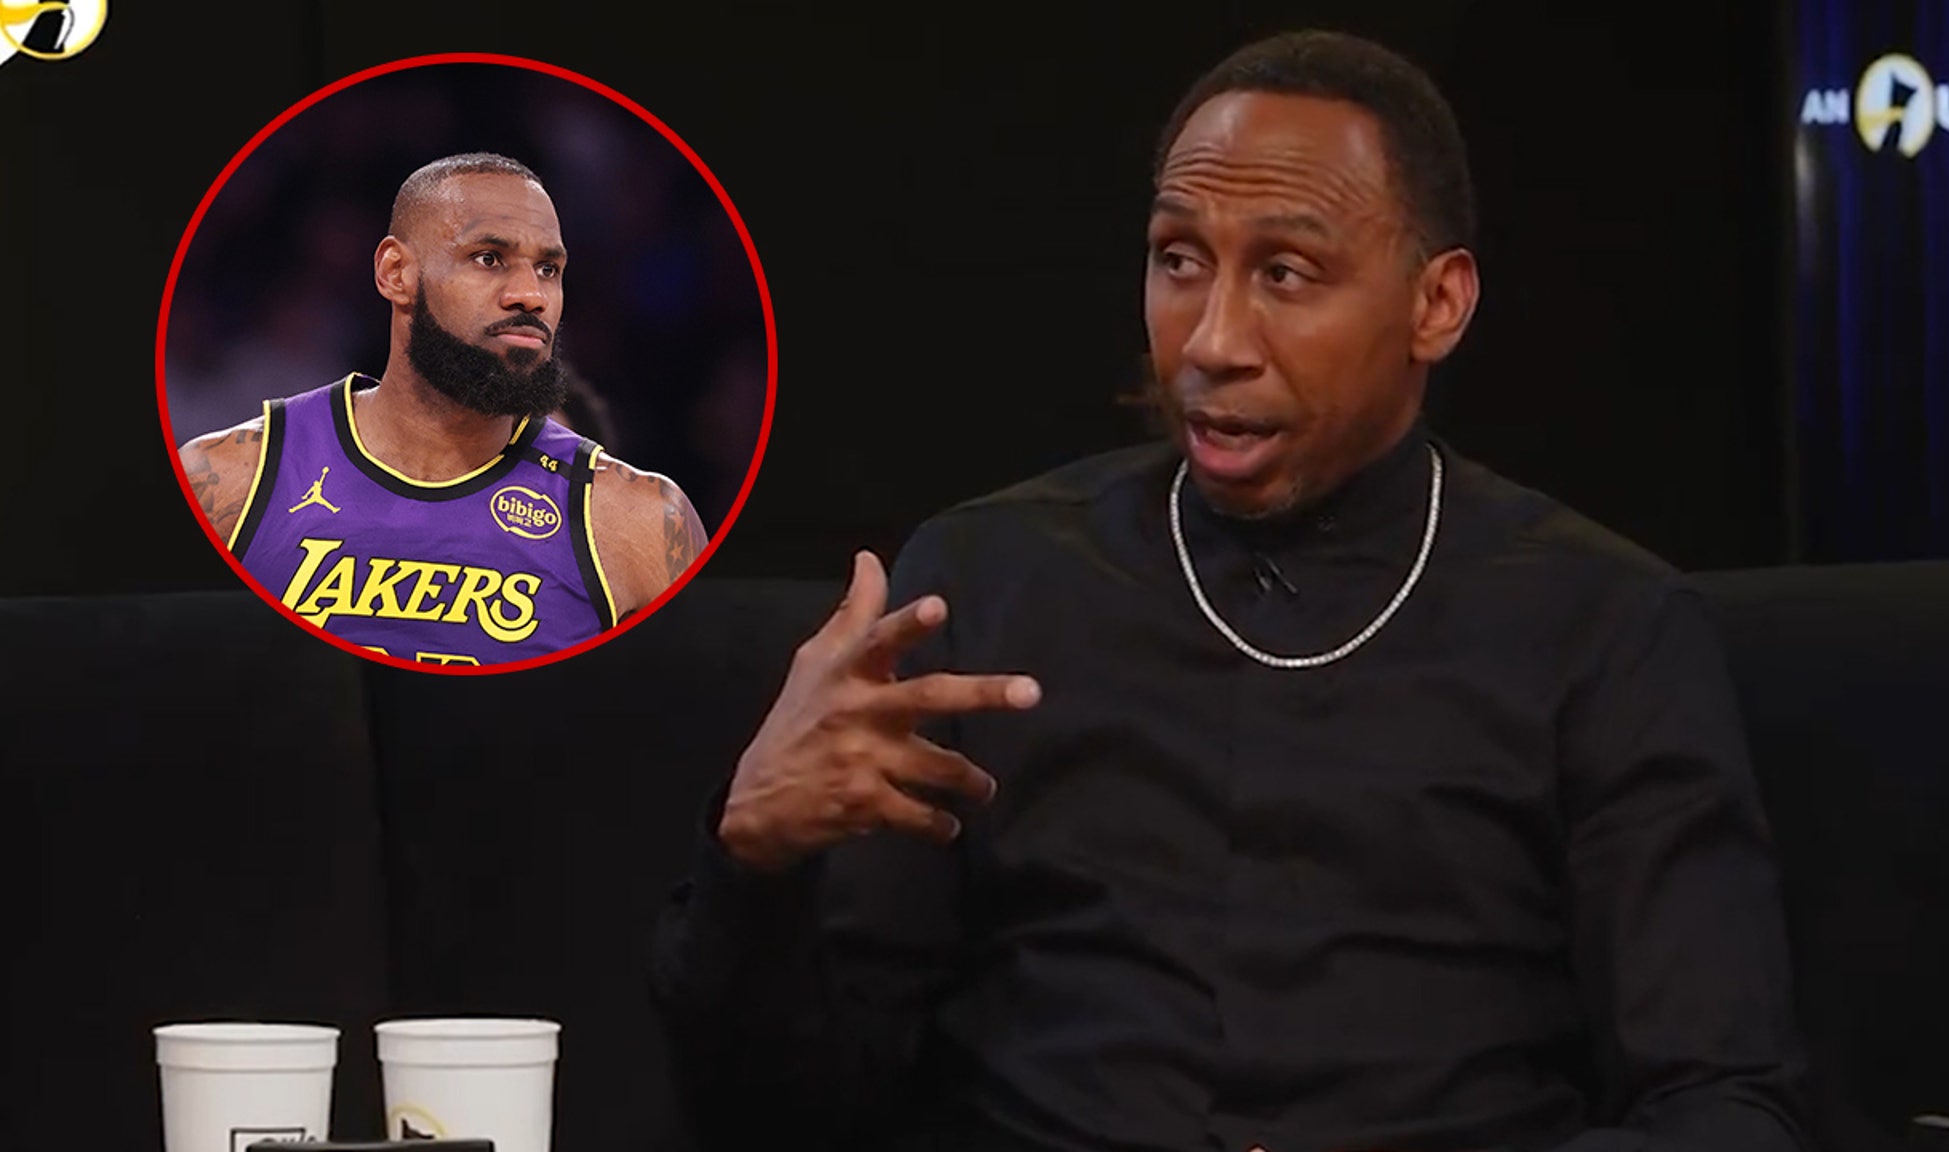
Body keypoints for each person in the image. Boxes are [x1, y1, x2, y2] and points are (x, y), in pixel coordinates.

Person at [651, 30, 1811, 1152]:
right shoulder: (981, 587)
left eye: (1285, 274)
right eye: (1178, 259)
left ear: (1436, 304)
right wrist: (752, 859)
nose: (1211, 340)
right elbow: (794, 1117)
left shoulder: (1603, 629)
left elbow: (1721, 1111)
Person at [178, 153, 708, 666]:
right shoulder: (229, 481)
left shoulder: (638, 522)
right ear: (396, 273)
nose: (531, 295)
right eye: (489, 258)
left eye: (548, 269)